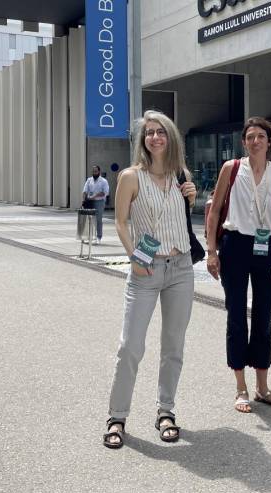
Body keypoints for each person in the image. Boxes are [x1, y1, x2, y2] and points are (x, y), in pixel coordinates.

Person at [103, 110, 197, 449]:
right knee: (131, 346)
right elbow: (120, 222)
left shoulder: (181, 175)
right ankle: (117, 416)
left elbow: (183, 220)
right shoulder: (131, 177)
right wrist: (133, 257)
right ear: (143, 140)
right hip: (145, 268)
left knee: (173, 346)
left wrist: (192, 197)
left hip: (181, 267)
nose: (154, 137)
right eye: (149, 132)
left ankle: (166, 411)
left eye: (161, 132)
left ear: (171, 138)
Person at [205, 117, 271, 414]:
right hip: (235, 244)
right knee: (236, 314)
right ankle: (241, 387)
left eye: (261, 137)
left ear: (270, 142)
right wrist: (211, 252)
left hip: (265, 246)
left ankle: (263, 387)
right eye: (250, 137)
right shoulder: (231, 169)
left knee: (264, 315)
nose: (255, 141)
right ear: (244, 142)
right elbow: (215, 211)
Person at [82, 165, 110, 244]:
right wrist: (83, 200)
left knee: (98, 220)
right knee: (89, 219)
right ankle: (90, 237)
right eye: (93, 171)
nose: (94, 173)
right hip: (89, 202)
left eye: (96, 171)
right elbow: (85, 191)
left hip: (99, 202)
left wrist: (94, 196)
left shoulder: (104, 181)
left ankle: (99, 237)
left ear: (99, 172)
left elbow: (105, 192)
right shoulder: (89, 180)